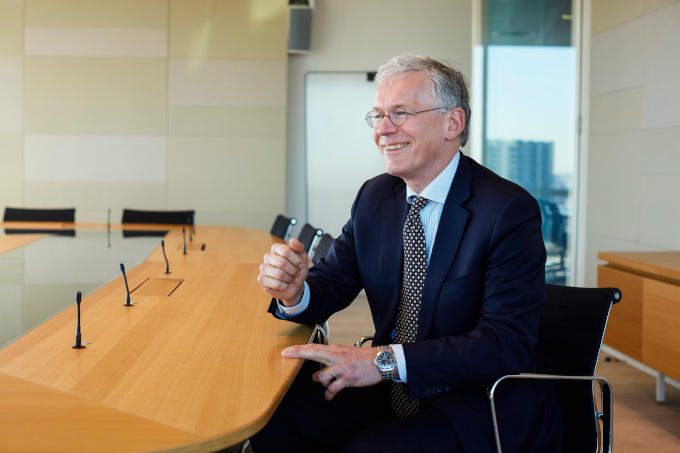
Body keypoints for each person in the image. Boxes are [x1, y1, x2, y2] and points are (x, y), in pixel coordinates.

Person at [254, 54, 562, 453]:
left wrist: (382, 362)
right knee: (276, 419)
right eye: (378, 115)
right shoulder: (375, 196)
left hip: (475, 402)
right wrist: (296, 293)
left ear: (453, 123)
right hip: (391, 387)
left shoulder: (507, 210)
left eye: (400, 113)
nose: (383, 129)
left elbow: (504, 343)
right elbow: (332, 283)